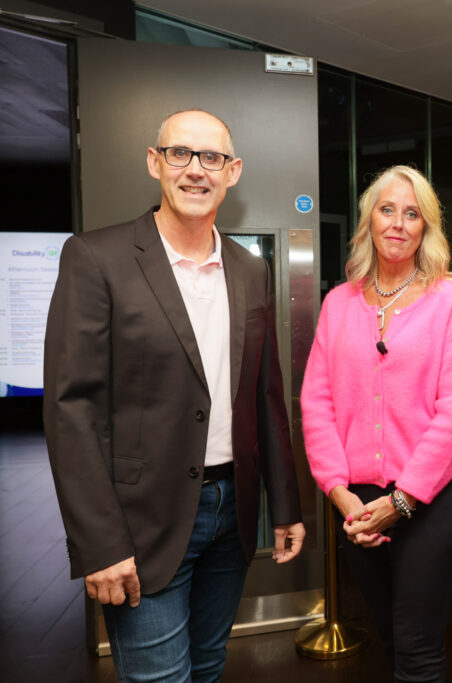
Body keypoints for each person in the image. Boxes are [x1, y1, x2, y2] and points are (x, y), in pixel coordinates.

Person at [44, 109, 306, 682]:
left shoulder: (249, 269)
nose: (195, 170)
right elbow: (72, 411)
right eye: (180, 154)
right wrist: (99, 543)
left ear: (232, 171)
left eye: (211, 158)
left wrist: (284, 505)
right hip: (140, 525)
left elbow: (265, 396)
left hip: (231, 515)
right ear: (154, 162)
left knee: (209, 667)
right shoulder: (96, 258)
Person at [301, 165, 452, 682]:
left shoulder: (450, 301)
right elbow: (316, 403)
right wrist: (339, 493)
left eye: (413, 213)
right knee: (390, 639)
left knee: (419, 651)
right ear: (369, 221)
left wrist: (401, 502)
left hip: (432, 501)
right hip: (357, 504)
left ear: (426, 227)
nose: (399, 223)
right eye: (387, 210)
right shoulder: (338, 304)